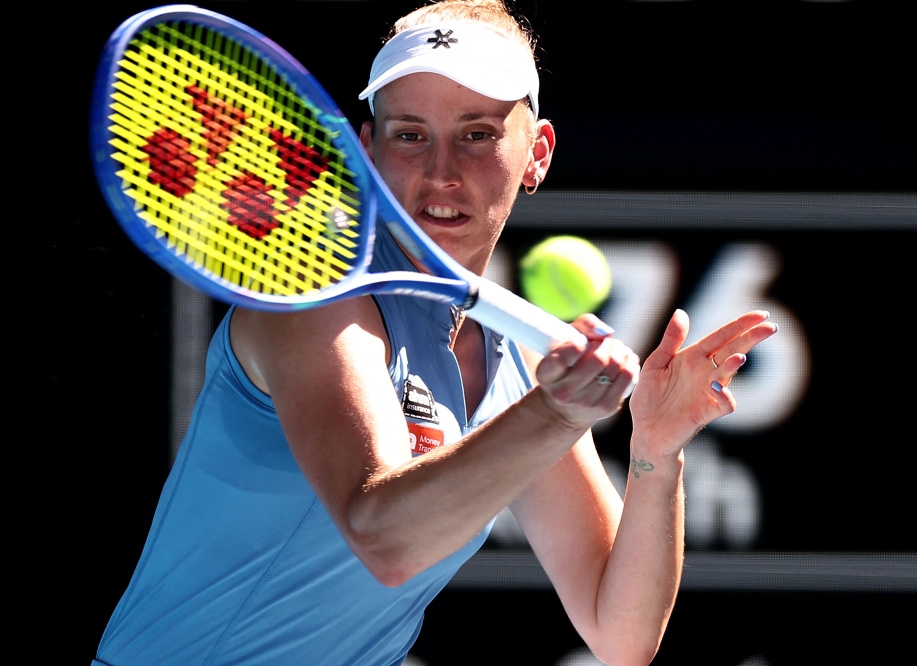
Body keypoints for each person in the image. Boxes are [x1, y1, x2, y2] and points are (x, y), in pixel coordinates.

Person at [93, 1, 777, 665]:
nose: (441, 172)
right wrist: (553, 413)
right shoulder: (315, 300)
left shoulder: (516, 362)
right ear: (367, 152)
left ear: (536, 154)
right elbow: (383, 536)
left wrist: (658, 453)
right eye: (410, 134)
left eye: (477, 134)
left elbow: (620, 634)